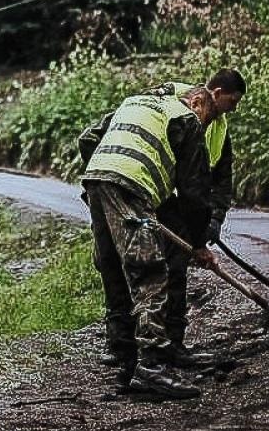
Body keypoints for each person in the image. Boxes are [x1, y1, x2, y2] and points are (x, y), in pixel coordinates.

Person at [77, 84, 220, 400]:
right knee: (150, 271)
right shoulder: (186, 117)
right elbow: (195, 192)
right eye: (207, 118)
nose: (205, 126)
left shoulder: (136, 102)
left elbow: (87, 138)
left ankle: (125, 357)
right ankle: (151, 367)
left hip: (98, 179)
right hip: (130, 185)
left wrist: (106, 180)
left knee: (113, 266)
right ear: (197, 101)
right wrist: (198, 244)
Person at [147, 69, 246, 365]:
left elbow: (220, 179)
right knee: (150, 268)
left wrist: (213, 220)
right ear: (215, 94)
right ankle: (142, 347)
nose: (234, 107)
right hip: (158, 197)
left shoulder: (219, 128)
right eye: (233, 100)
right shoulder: (178, 106)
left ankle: (172, 342)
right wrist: (198, 239)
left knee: (175, 269)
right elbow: (191, 184)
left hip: (180, 206)